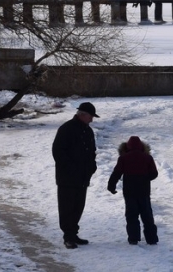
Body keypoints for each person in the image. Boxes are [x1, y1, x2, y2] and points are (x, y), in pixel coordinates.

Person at [52, 102, 99, 249]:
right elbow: (58, 152)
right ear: (83, 115)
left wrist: (92, 166)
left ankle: (73, 233)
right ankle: (68, 236)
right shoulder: (66, 129)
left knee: (78, 206)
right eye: (91, 116)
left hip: (83, 177)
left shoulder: (88, 131)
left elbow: (92, 151)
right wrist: (71, 168)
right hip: (67, 177)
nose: (92, 120)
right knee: (67, 207)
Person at [108, 136, 159, 245]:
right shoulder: (147, 158)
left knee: (131, 215)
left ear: (127, 146)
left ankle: (133, 238)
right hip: (144, 191)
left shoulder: (123, 158)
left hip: (129, 191)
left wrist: (111, 186)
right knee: (147, 216)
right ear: (141, 146)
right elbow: (154, 173)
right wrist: (145, 178)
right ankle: (152, 239)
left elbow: (116, 173)